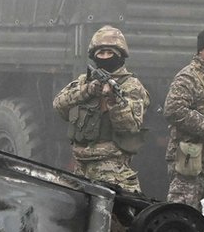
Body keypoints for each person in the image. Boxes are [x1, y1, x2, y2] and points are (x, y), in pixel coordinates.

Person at [53, 25, 150, 194]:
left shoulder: (131, 86)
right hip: (80, 169)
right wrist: (87, 91)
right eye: (101, 53)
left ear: (119, 55)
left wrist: (112, 101)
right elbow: (59, 105)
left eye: (109, 53)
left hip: (112, 170)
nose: (105, 57)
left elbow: (130, 126)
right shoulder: (84, 81)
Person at [163, 27, 204, 209]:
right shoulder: (187, 78)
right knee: (183, 215)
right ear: (201, 50)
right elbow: (173, 109)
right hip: (188, 160)